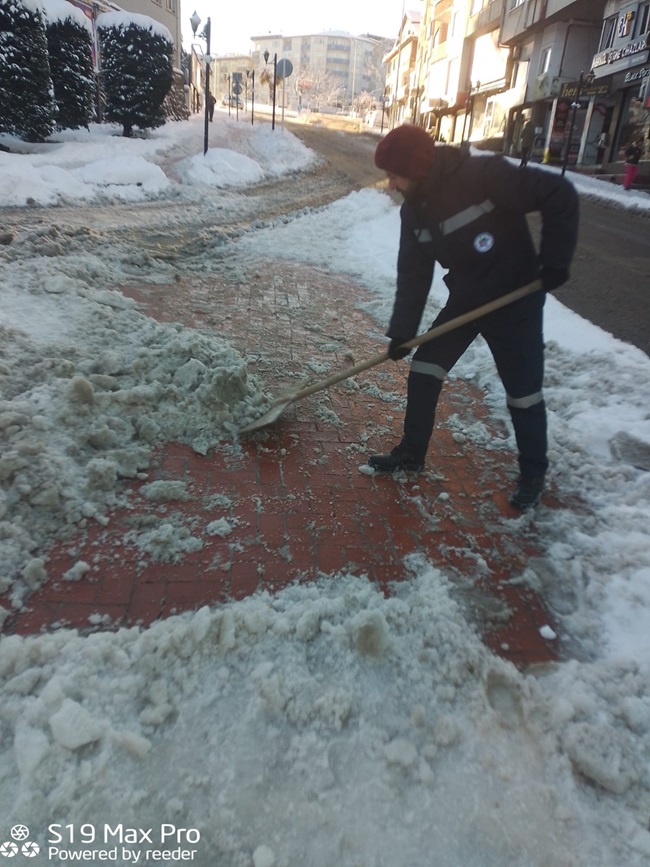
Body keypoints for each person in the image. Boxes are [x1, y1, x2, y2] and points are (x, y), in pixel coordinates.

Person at [369, 124, 579, 510]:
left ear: (415, 168)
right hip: (467, 302)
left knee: (523, 394)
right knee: (425, 368)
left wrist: (554, 261)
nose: (391, 184)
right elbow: (413, 275)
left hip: (515, 301)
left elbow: (559, 193)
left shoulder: (483, 174)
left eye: (394, 174)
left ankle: (533, 473)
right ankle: (411, 454)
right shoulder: (414, 213)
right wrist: (402, 332)